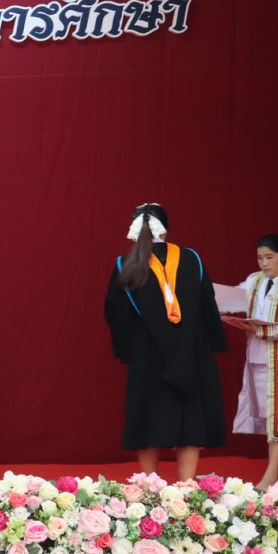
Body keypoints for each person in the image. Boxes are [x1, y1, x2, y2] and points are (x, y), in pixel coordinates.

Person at [104, 203, 228, 481]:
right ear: (166, 229)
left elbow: (116, 312)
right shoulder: (192, 259)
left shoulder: (126, 264)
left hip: (147, 354)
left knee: (146, 419)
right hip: (189, 351)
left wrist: (127, 349)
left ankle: (151, 485)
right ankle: (186, 486)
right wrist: (210, 343)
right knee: (190, 421)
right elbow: (208, 303)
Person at [226, 234, 278, 488]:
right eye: (260, 258)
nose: (264, 263)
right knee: (277, 417)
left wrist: (257, 330)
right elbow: (229, 299)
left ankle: (270, 476)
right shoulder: (254, 280)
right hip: (259, 357)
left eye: (269, 257)